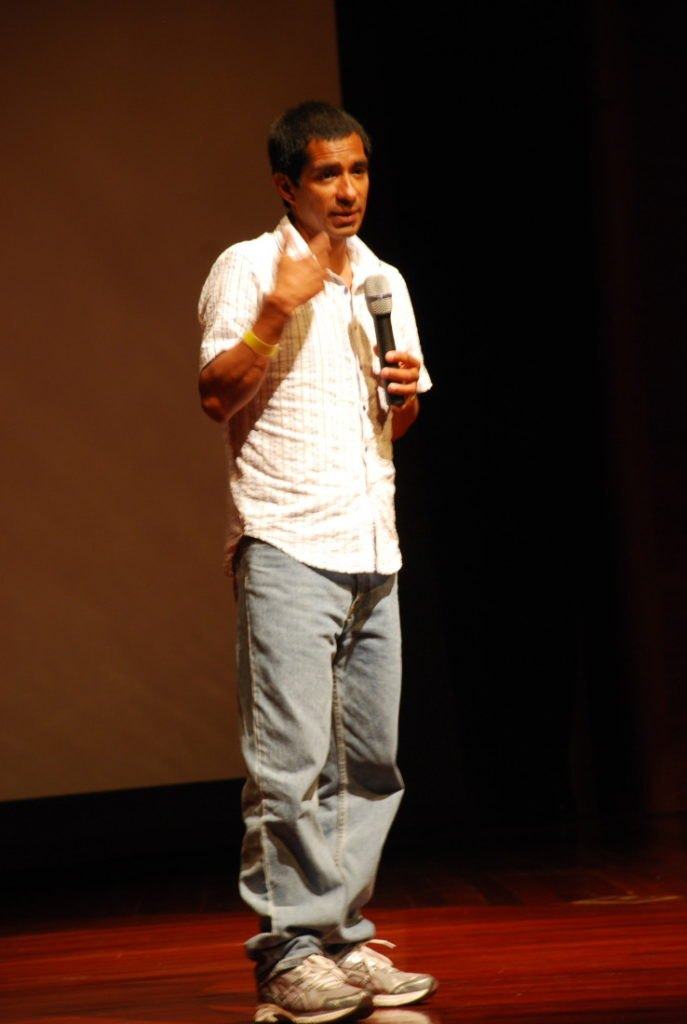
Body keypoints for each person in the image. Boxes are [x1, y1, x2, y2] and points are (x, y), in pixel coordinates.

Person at [197, 101, 436, 1024]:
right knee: (289, 766)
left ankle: (340, 938)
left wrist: (403, 398)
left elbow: (394, 420)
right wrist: (275, 310)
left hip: (372, 544)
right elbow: (214, 394)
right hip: (288, 542)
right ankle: (288, 952)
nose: (347, 191)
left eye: (358, 171)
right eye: (327, 174)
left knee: (369, 764)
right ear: (286, 185)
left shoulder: (383, 279)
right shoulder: (247, 268)